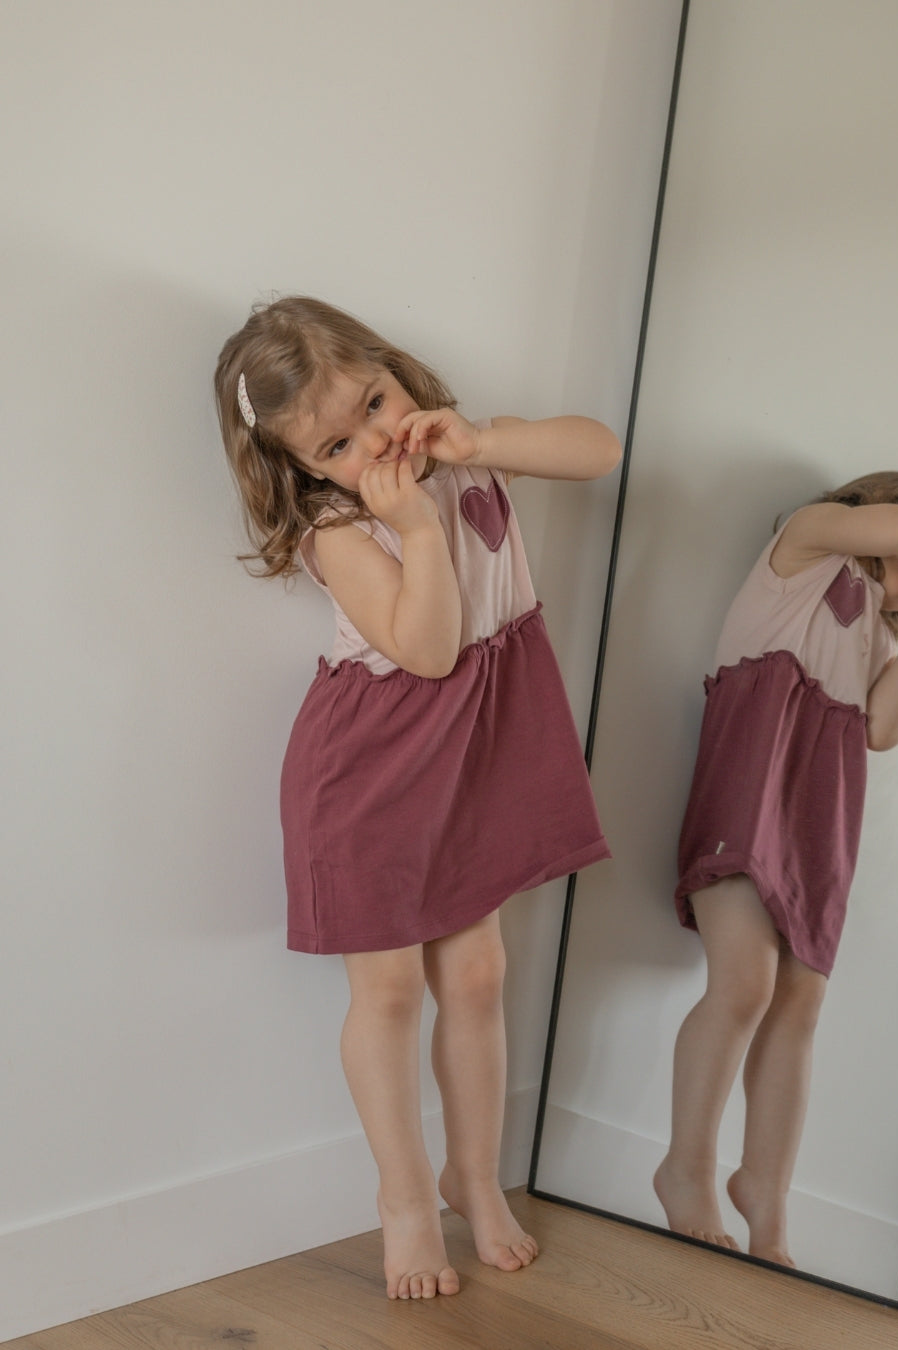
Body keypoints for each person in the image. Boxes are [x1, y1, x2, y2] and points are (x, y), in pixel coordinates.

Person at [214, 296, 620, 1301]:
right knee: (389, 992)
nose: (375, 442)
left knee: (478, 974)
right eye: (338, 444)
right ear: (309, 469)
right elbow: (430, 650)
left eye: (376, 403)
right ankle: (404, 1197)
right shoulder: (343, 529)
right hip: (376, 771)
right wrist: (419, 531)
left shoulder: (471, 453)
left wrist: (480, 437)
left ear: (400, 373)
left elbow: (599, 449)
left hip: (477, 754)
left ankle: (473, 1178)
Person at [653, 472, 898, 1268]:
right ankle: (684, 1167)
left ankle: (767, 1189)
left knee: (801, 1001)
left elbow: (882, 730)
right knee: (744, 984)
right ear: (882, 511)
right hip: (750, 787)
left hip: (819, 817)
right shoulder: (806, 545)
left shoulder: (882, 633)